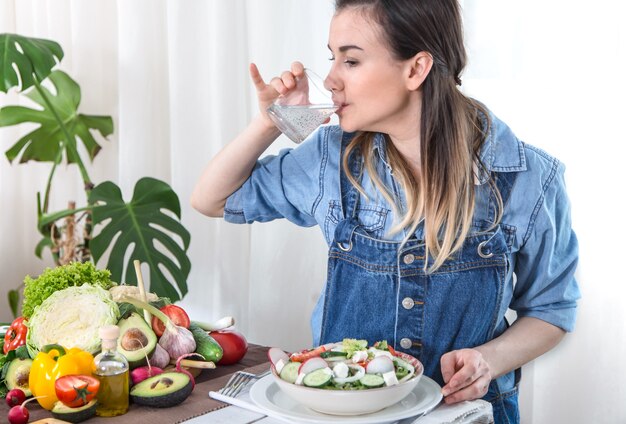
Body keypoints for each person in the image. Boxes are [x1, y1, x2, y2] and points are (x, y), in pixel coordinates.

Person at [191, 1, 580, 422]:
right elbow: (212, 199)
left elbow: (551, 309)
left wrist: (490, 359)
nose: (332, 79)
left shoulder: (528, 177)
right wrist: (270, 123)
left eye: (352, 60)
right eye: (332, 57)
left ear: (415, 69)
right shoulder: (329, 159)